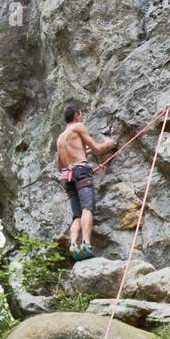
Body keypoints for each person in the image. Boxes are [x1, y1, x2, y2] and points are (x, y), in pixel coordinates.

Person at [56, 102, 116, 260]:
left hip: (67, 176)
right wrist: (109, 144)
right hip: (81, 172)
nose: (81, 117)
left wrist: (82, 153)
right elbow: (97, 148)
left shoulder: (60, 138)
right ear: (76, 115)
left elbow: (60, 165)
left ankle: (73, 245)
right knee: (87, 208)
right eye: (81, 114)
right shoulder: (78, 127)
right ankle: (86, 243)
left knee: (76, 215)